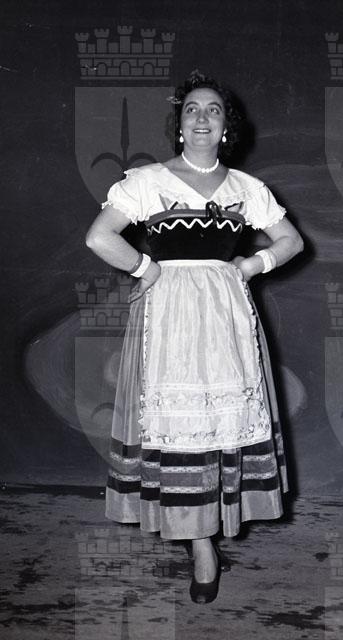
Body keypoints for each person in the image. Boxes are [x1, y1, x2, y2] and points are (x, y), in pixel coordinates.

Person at [85, 71, 304, 604]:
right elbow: (99, 237)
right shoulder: (149, 181)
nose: (202, 117)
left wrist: (251, 265)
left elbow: (291, 240)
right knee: (178, 425)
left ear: (227, 127)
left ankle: (210, 525)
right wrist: (145, 268)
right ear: (179, 125)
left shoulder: (246, 189)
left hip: (226, 317)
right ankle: (201, 544)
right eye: (191, 109)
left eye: (213, 109)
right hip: (169, 317)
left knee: (221, 423)